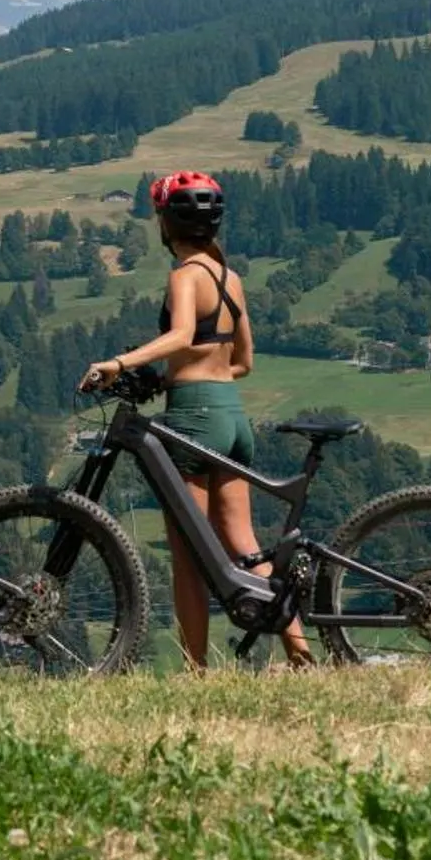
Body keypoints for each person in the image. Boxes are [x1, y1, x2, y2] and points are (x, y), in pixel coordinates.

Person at [80, 170, 311, 673]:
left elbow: (184, 334)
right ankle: (302, 653)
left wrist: (122, 363)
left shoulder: (186, 275)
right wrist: (172, 380)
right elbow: (243, 361)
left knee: (188, 554)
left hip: (194, 418)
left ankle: (196, 669)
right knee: (245, 545)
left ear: (168, 223)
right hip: (231, 414)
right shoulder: (231, 278)